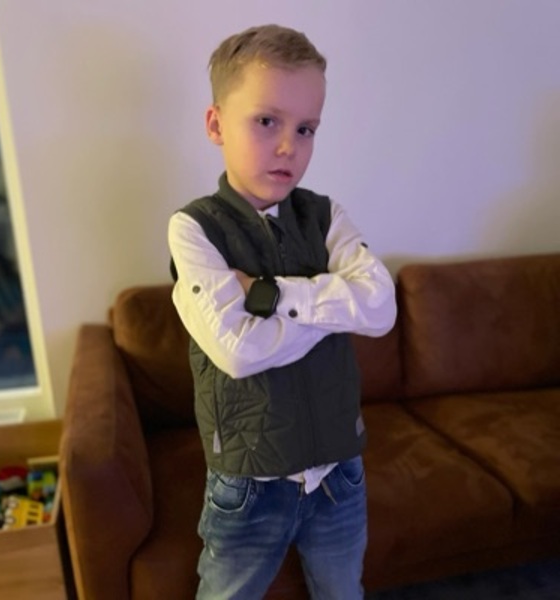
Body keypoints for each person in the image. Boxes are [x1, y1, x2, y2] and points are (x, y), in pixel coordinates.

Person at [168, 23, 397, 600]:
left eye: (306, 128)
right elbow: (239, 351)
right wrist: (335, 305)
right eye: (267, 121)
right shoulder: (194, 229)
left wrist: (271, 297)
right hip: (248, 485)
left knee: (343, 592)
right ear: (216, 124)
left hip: (340, 473)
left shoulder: (325, 215)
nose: (289, 146)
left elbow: (380, 308)